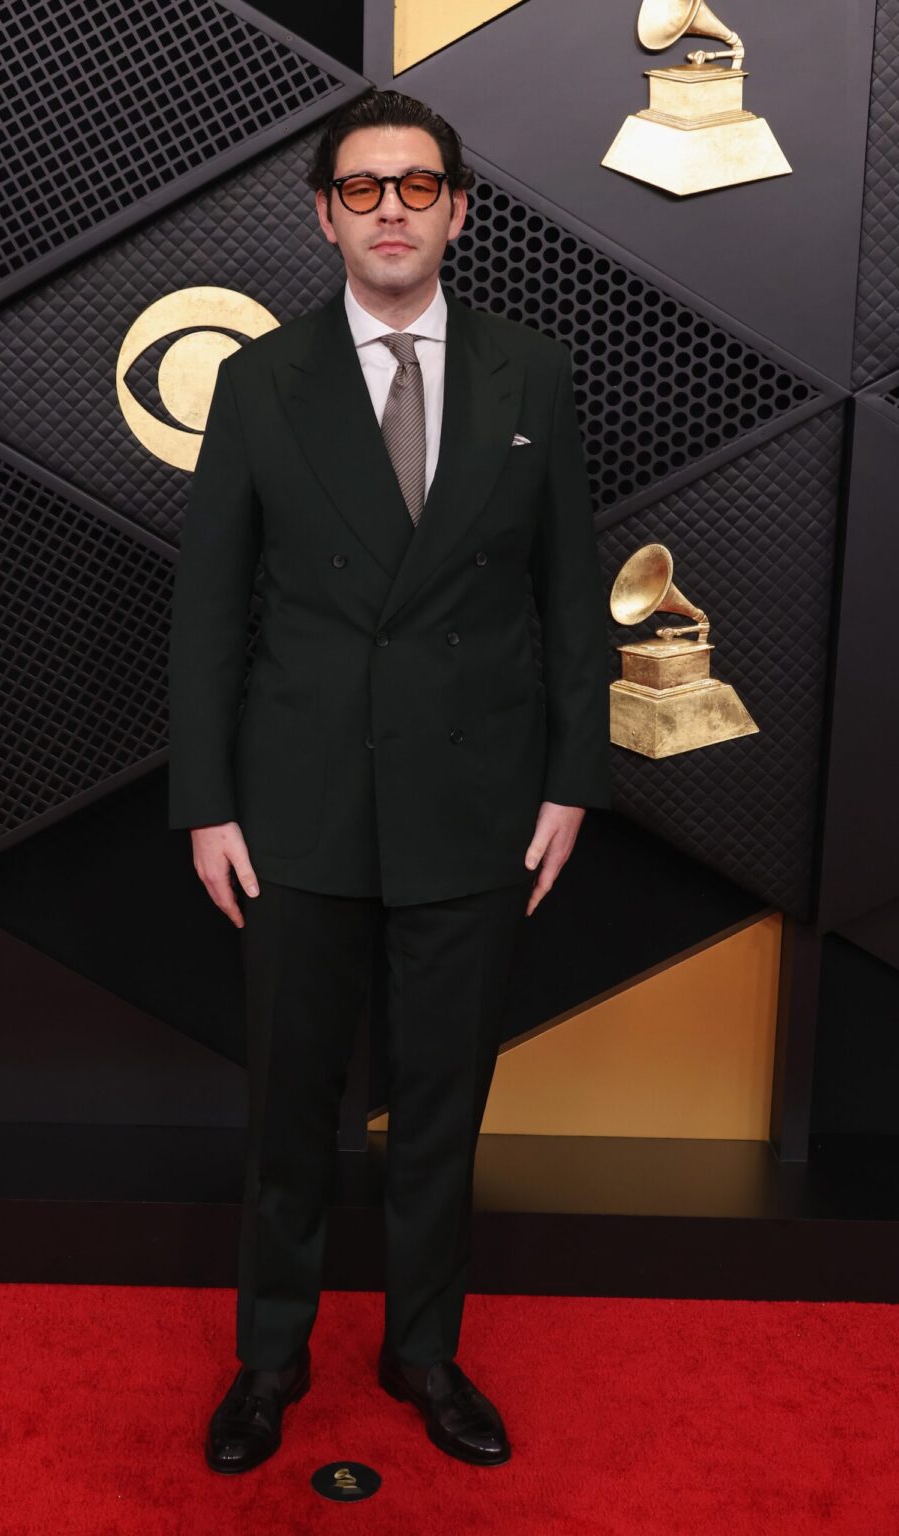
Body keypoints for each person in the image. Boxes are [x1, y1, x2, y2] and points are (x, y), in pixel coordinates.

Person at [167, 87, 611, 1474]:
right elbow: (208, 610)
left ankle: (424, 1349)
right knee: (291, 1106)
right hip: (295, 808)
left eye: (417, 187)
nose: (391, 212)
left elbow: (570, 596)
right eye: (362, 189)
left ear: (460, 210)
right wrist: (207, 801)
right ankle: (271, 1359)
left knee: (440, 1104)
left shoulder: (532, 373)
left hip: (477, 808)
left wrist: (569, 781)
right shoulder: (260, 381)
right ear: (324, 215)